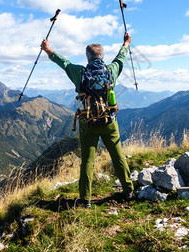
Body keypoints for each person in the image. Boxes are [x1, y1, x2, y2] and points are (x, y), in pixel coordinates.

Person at [41, 33, 134, 208]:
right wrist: (126, 43)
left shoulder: (80, 73)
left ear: (87, 57)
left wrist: (48, 50)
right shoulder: (111, 70)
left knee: (88, 161)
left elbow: (64, 63)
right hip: (109, 121)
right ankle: (128, 190)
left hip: (88, 123)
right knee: (117, 155)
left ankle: (85, 200)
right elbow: (121, 58)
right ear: (102, 56)